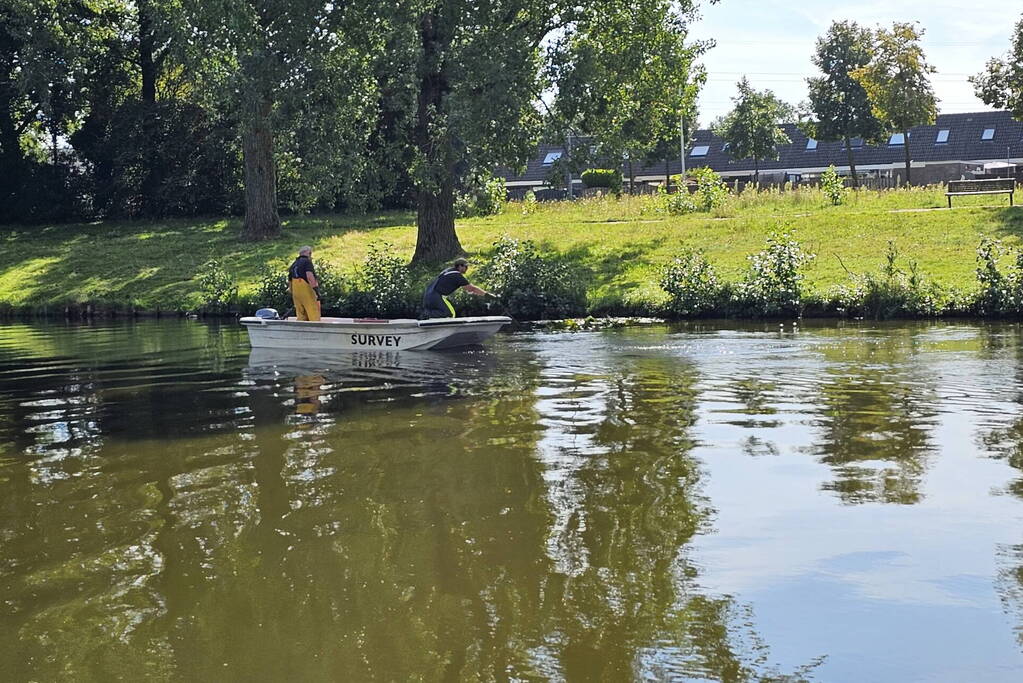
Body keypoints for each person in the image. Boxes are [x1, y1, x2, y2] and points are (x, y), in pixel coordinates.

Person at [422, 258, 492, 318]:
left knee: (447, 312)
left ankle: (429, 320)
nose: (467, 268)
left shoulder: (449, 271)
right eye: (466, 266)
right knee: (449, 314)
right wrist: (488, 295)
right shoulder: (457, 275)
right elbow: (472, 289)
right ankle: (427, 314)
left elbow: (468, 289)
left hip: (428, 295)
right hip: (436, 296)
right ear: (460, 266)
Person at [288, 246, 320, 321]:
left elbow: (290, 281)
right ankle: (316, 331)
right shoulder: (307, 262)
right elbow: (309, 276)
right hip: (306, 292)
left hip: (296, 293)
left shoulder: (293, 264)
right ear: (309, 253)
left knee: (301, 315)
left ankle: (301, 331)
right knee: (313, 313)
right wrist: (316, 291)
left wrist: (292, 292)